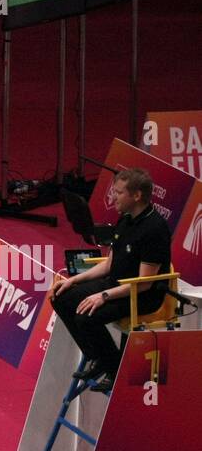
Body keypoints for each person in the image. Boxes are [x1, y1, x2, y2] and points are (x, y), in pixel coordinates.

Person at [50, 168, 173, 393]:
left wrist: (103, 295)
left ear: (136, 196)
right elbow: (108, 264)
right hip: (116, 284)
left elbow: (144, 283)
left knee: (85, 316)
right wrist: (74, 280)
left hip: (141, 295)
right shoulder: (125, 220)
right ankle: (100, 358)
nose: (113, 197)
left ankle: (112, 365)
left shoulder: (155, 229)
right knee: (60, 297)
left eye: (118, 193)